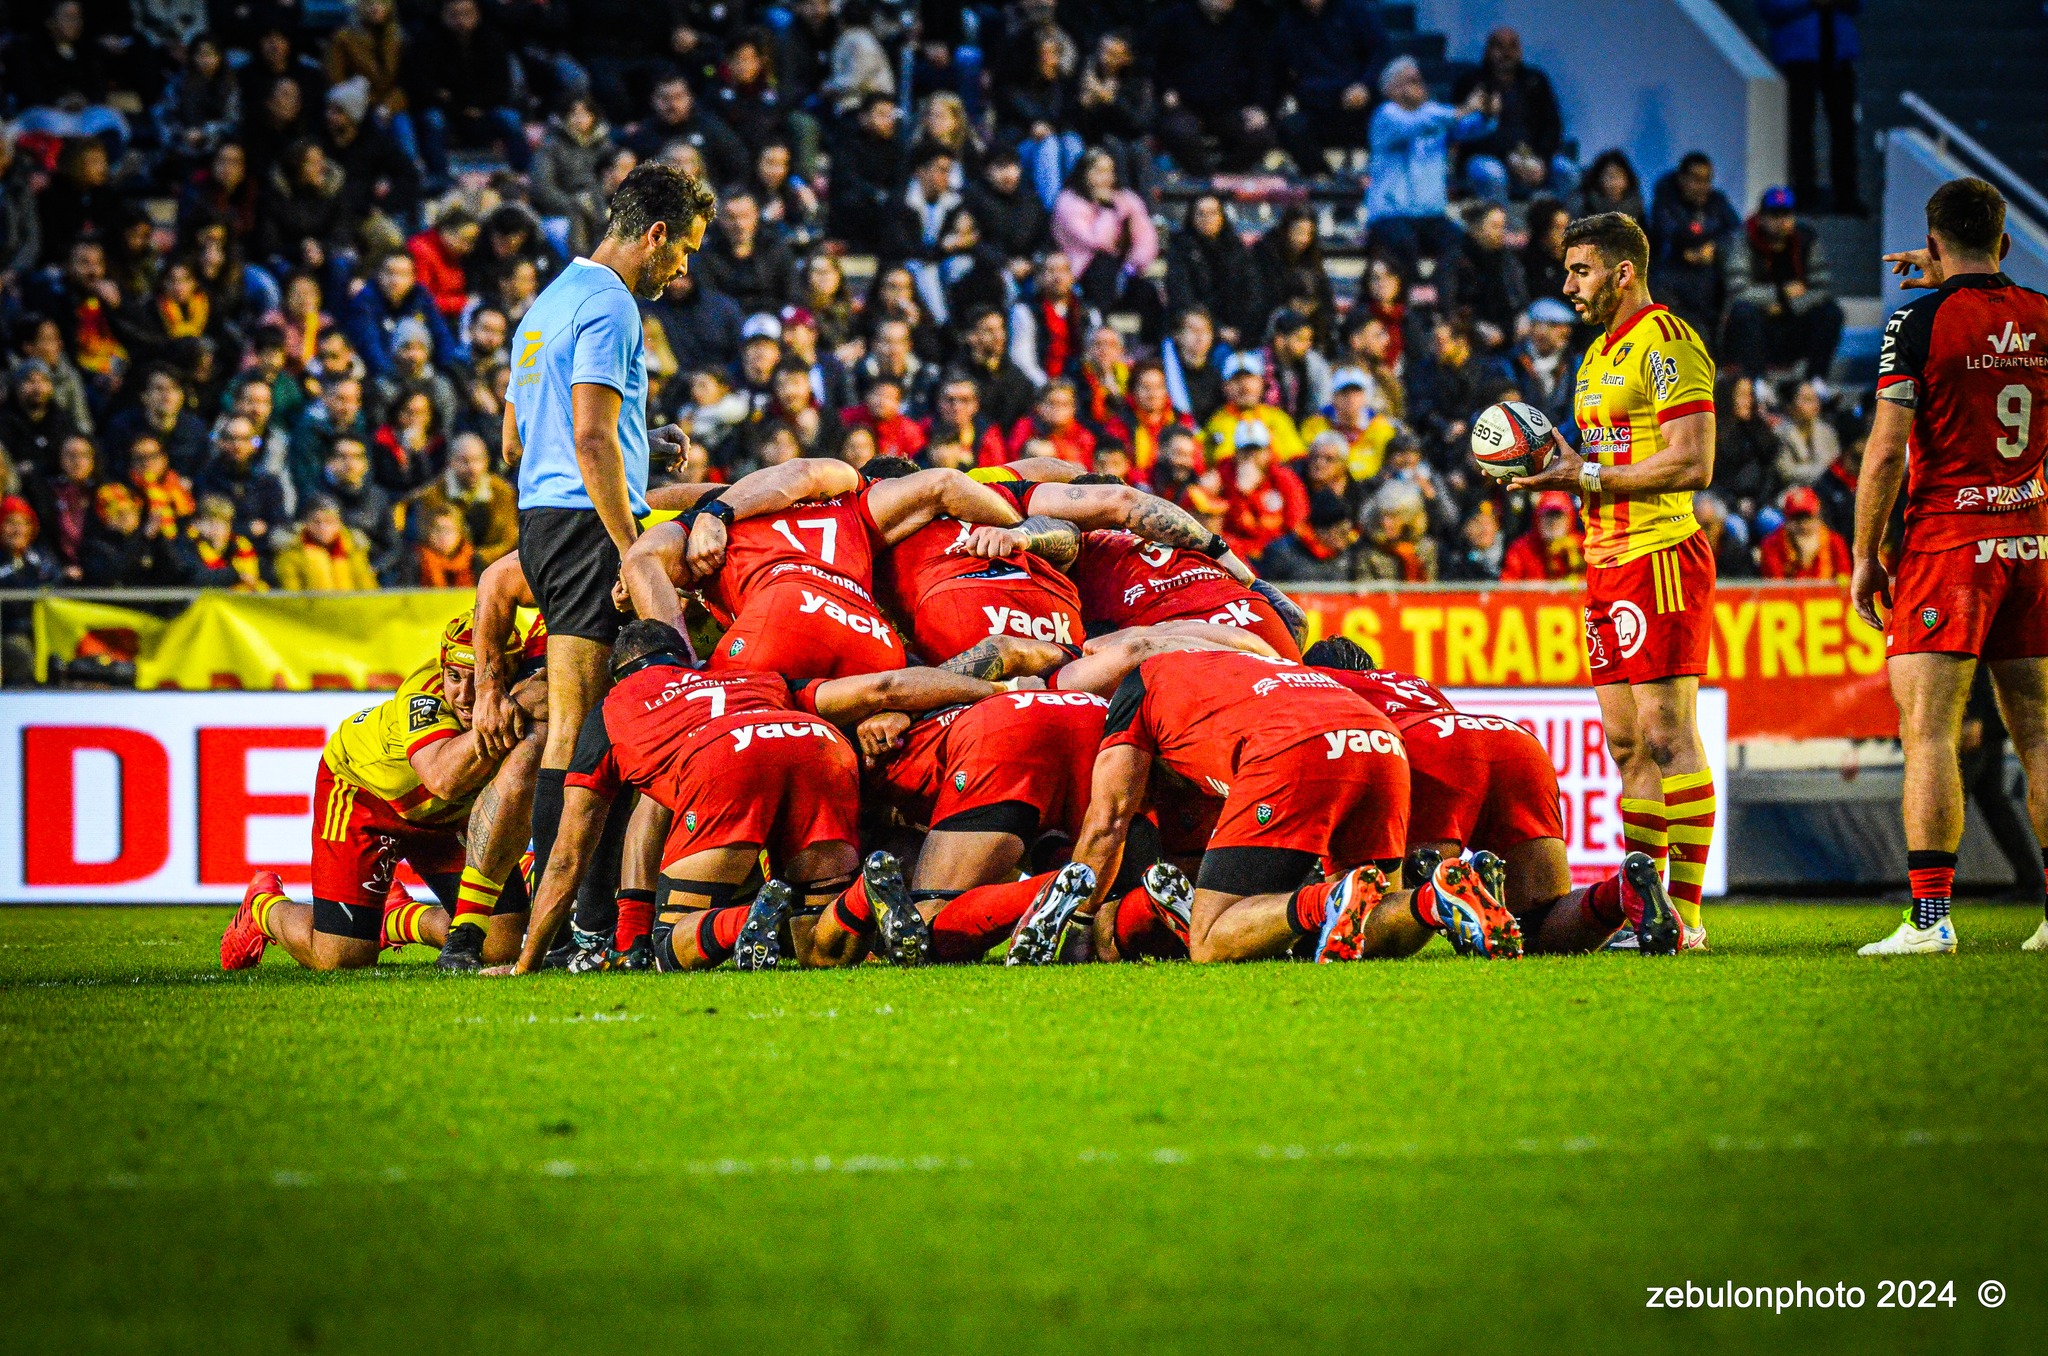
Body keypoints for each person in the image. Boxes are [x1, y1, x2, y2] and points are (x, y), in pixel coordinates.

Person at [492, 619, 1019, 976]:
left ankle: (746, 917)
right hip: (816, 742)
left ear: (620, 673)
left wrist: (527, 960)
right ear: (684, 661)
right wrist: (997, 692)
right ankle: (863, 896)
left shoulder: (611, 709)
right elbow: (880, 690)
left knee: (670, 943)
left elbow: (566, 854)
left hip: (725, 760)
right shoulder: (749, 678)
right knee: (822, 949)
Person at [490, 164, 715, 907]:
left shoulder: (549, 302)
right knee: (580, 733)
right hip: (588, 528)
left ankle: (573, 920)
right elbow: (588, 440)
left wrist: (644, 439)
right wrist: (630, 547)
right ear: (653, 234)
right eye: (682, 249)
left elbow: (519, 440)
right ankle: (576, 926)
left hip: (544, 522)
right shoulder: (614, 306)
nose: (683, 269)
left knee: (580, 723)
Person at [1508, 212, 1721, 953]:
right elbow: (1597, 461)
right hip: (1604, 563)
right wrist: (1553, 469)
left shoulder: (1668, 345)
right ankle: (1648, 912)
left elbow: (1694, 462)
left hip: (1660, 556)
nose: (1568, 285)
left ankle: (1687, 917)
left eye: (1581, 271)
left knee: (1668, 736)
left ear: (1623, 271)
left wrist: (1586, 473)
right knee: (1627, 744)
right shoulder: (1597, 355)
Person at [1852, 177, 2048, 955]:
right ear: (2004, 243)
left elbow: (1886, 452)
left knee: (1929, 734)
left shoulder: (1918, 321)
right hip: (2031, 540)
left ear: (1933, 245)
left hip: (1949, 544)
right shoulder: (2041, 315)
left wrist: (1866, 555)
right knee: (2038, 735)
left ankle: (1930, 922)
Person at [220, 612, 546, 972]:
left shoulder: (519, 687)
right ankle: (263, 906)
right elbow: (444, 779)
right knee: (340, 960)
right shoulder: (423, 695)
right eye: (453, 676)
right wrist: (520, 704)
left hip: (449, 816)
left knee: (500, 945)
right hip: (364, 794)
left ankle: (400, 917)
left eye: (480, 678)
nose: (465, 696)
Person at [1307, 636, 1676, 955]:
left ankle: (1447, 880)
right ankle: (1622, 891)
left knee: (1369, 917)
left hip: (1427, 751)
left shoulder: (1314, 683)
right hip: (1509, 741)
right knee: (1536, 921)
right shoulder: (1407, 681)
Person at [1365, 57, 1495, 272]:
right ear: (1392, 89)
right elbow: (1418, 124)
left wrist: (1487, 111)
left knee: (1462, 243)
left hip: (1431, 216)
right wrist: (1464, 109)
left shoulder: (1434, 113)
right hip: (1391, 215)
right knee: (1403, 244)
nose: (1420, 85)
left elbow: (1471, 128)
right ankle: (1411, 301)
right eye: (1411, 80)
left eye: (1419, 80)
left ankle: (1445, 300)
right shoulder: (1386, 115)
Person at [1725, 187, 1845, 380]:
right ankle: (1756, 383)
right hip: (1761, 321)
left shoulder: (1806, 239)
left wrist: (1787, 306)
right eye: (1774, 215)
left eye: (1786, 214)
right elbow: (1738, 289)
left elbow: (1821, 287)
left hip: (1795, 319)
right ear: (1761, 217)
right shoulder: (1744, 238)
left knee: (1831, 313)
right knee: (1743, 312)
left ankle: (1815, 382)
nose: (1781, 221)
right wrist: (1781, 294)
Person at [1763, 0, 1865, 214]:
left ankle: (1846, 195)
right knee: (1800, 127)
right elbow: (1769, 7)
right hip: (1798, 54)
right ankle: (1803, 193)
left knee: (1844, 127)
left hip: (1838, 53)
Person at [1452, 27, 1572, 203]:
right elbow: (1463, 134)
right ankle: (1503, 228)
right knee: (1493, 174)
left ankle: (1551, 224)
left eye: (1512, 46)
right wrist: (1508, 158)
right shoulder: (1470, 83)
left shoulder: (1536, 81)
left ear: (1520, 51)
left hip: (1532, 156)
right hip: (1485, 156)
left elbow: (1552, 125)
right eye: (1499, 46)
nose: (1506, 53)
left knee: (1567, 172)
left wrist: (1541, 160)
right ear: (1488, 50)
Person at [1648, 152, 1742, 345]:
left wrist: (1714, 248)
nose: (1703, 187)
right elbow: (1667, 232)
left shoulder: (1717, 202)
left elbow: (1736, 233)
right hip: (1671, 276)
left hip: (1710, 279)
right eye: (1697, 180)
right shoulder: (1666, 201)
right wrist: (1689, 247)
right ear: (1682, 179)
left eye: (1707, 180)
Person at [1204, 353, 1305, 467]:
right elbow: (1224, 465)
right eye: (1236, 380)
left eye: (1250, 378)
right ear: (1225, 387)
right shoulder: (1217, 423)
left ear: (1262, 382)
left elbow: (1297, 458)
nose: (1245, 387)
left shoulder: (1279, 417)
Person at [273, 495, 380, 591]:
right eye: (316, 522)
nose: (323, 528)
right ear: (305, 523)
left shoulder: (353, 549)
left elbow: (367, 589)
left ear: (339, 523)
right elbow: (292, 594)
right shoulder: (292, 552)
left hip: (350, 609)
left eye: (329, 522)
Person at [1758, 485, 1849, 580]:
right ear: (1787, 521)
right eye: (1797, 519)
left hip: (1827, 595)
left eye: (1807, 518)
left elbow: (1844, 579)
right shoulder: (1771, 544)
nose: (1803, 525)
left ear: (1818, 517)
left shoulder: (1835, 542)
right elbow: (1775, 585)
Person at [1500, 491, 1585, 581]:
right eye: (1548, 515)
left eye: (1558, 515)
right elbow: (1507, 586)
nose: (1553, 522)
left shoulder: (1584, 547)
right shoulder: (1521, 550)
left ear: (1570, 518)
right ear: (1537, 518)